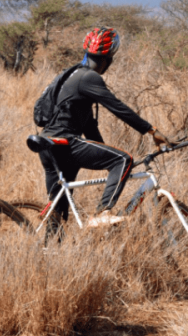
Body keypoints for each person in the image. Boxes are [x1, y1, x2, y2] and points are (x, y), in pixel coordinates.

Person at [38, 27, 174, 229]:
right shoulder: (89, 78)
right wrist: (152, 131)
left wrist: (102, 152)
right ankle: (103, 212)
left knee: (59, 211)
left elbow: (89, 125)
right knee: (122, 159)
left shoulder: (69, 75)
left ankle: (49, 252)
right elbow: (118, 107)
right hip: (65, 142)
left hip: (47, 144)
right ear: (108, 58)